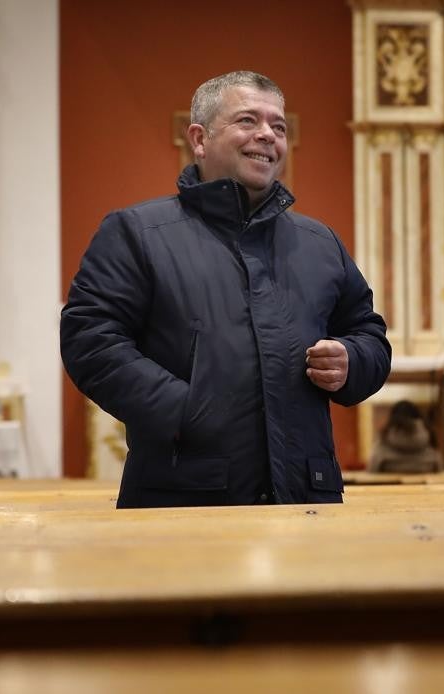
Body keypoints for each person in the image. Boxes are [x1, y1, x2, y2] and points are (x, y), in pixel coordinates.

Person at [61, 71, 391, 509]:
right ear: (199, 139)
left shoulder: (319, 243)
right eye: (248, 121)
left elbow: (369, 335)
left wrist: (352, 360)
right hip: (185, 499)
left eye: (279, 126)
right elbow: (90, 340)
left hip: (306, 500)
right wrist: (185, 409)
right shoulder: (137, 233)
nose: (267, 136)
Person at [368, 400, 443, 474]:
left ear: (392, 417)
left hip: (389, 485)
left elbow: (373, 469)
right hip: (428, 486)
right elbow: (439, 468)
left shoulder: (384, 437)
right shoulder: (429, 435)